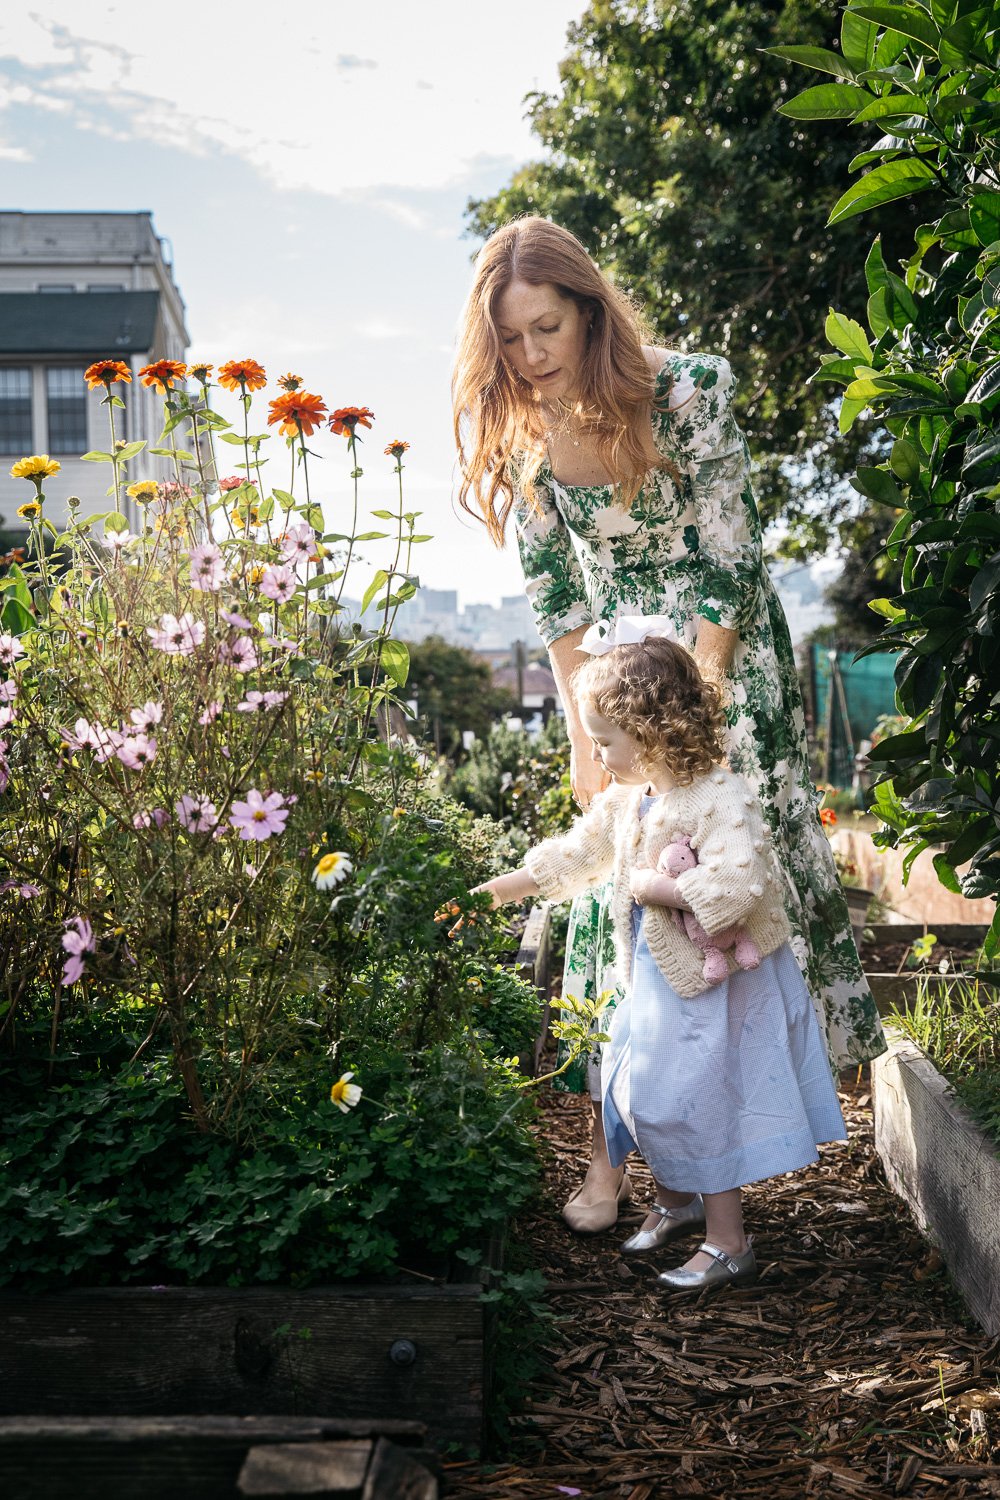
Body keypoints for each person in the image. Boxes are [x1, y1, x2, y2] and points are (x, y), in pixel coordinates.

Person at [452, 215, 883, 1233]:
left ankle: (741, 1145)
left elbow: (731, 554)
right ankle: (623, 1162)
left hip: (714, 665)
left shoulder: (690, 390)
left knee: (724, 893)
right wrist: (581, 731)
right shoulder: (523, 430)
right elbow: (556, 595)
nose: (531, 355)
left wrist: (698, 716)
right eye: (509, 338)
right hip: (610, 684)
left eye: (547, 328)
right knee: (614, 889)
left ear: (591, 311)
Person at [472, 632, 846, 1290]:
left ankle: (729, 1241)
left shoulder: (718, 798)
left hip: (719, 986)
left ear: (651, 732)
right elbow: (573, 856)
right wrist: (495, 893)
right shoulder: (628, 800)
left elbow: (738, 889)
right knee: (645, 1086)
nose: (595, 754)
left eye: (605, 740)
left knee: (699, 1097)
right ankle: (678, 1201)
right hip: (658, 981)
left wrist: (656, 888)